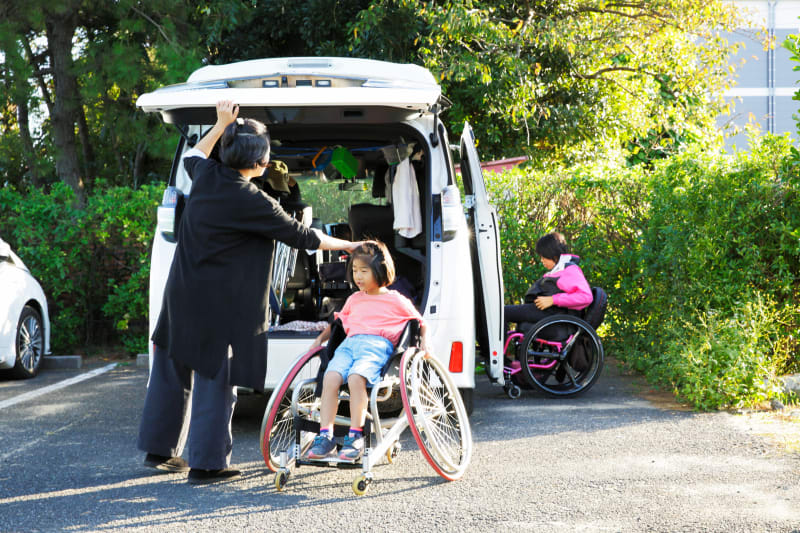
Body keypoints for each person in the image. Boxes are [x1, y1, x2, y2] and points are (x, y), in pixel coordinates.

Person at [137, 100, 365, 485]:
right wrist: (348, 247)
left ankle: (159, 452)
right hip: (219, 305)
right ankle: (207, 465)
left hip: (180, 294)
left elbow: (194, 152)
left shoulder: (205, 174)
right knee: (214, 376)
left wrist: (220, 123)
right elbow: (305, 237)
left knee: (171, 370)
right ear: (260, 162)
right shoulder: (254, 200)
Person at [306, 241, 428, 462]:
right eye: (354, 271)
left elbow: (419, 322)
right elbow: (337, 324)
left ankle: (355, 436)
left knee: (355, 378)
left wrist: (424, 346)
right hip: (349, 345)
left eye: (364, 271)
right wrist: (318, 341)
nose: (358, 276)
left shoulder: (395, 299)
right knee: (330, 378)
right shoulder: (354, 299)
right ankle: (326, 436)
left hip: (376, 345)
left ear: (380, 270)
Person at [504, 232, 593, 333]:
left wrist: (553, 300)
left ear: (553, 254)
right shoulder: (558, 269)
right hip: (547, 313)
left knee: (504, 312)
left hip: (554, 316)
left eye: (543, 257)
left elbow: (586, 297)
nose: (542, 260)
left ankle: (494, 348)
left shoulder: (569, 270)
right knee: (507, 314)